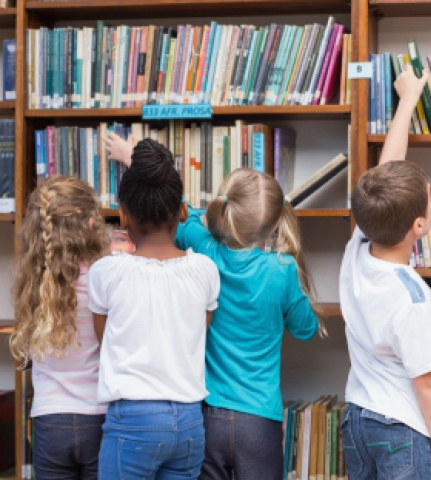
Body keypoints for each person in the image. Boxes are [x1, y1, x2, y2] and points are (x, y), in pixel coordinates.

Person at [106, 134, 323, 480]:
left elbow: (175, 208)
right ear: (272, 223)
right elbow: (306, 329)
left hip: (210, 415)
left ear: (224, 207)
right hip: (260, 421)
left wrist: (136, 160)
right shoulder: (281, 270)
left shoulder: (204, 250)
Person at [339, 64, 431, 480]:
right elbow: (428, 387)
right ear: (420, 225)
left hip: (357, 421)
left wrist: (408, 99)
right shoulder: (413, 297)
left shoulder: (358, 248)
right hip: (402, 430)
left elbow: (387, 166)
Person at [88, 139, 220, 479]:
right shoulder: (204, 270)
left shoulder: (106, 272)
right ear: (182, 212)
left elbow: (106, 342)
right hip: (189, 421)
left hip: (133, 422)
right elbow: (199, 330)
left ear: (123, 215)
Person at [10, 177, 109, 479]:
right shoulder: (104, 278)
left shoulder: (34, 285)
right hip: (99, 416)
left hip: (50, 419)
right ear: (91, 224)